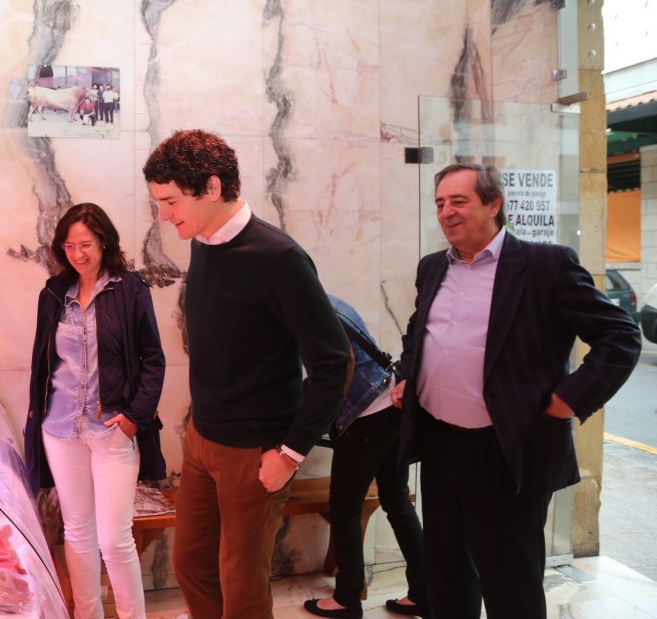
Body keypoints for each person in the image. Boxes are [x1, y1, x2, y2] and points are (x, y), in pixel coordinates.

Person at [391, 163, 641, 619]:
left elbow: (620, 336)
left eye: (459, 201)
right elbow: (418, 330)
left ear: (493, 204)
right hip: (440, 444)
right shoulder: (432, 267)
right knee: (446, 574)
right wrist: (410, 374)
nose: (447, 212)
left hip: (508, 451)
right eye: (440, 203)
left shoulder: (547, 266)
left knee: (510, 584)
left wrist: (570, 399)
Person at [142, 129, 351, 618]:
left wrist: (290, 454)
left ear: (211, 188)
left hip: (256, 451)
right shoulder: (203, 242)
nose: (165, 215)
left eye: (171, 201)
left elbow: (335, 362)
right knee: (191, 565)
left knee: (242, 587)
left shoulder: (279, 258)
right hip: (203, 440)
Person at [25, 202, 166, 619]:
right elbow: (42, 364)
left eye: (85, 244)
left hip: (111, 430)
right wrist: (38, 418)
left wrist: (135, 417)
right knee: (77, 531)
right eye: (69, 246)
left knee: (114, 540)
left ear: (104, 242)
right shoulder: (53, 293)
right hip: (60, 429)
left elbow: (153, 359)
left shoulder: (129, 289)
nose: (78, 254)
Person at [303, 296, 427, 619]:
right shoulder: (333, 303)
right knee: (397, 501)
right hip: (390, 407)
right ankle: (425, 592)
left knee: (344, 508)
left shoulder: (307, 313)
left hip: (365, 417)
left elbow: (330, 373)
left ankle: (347, 598)